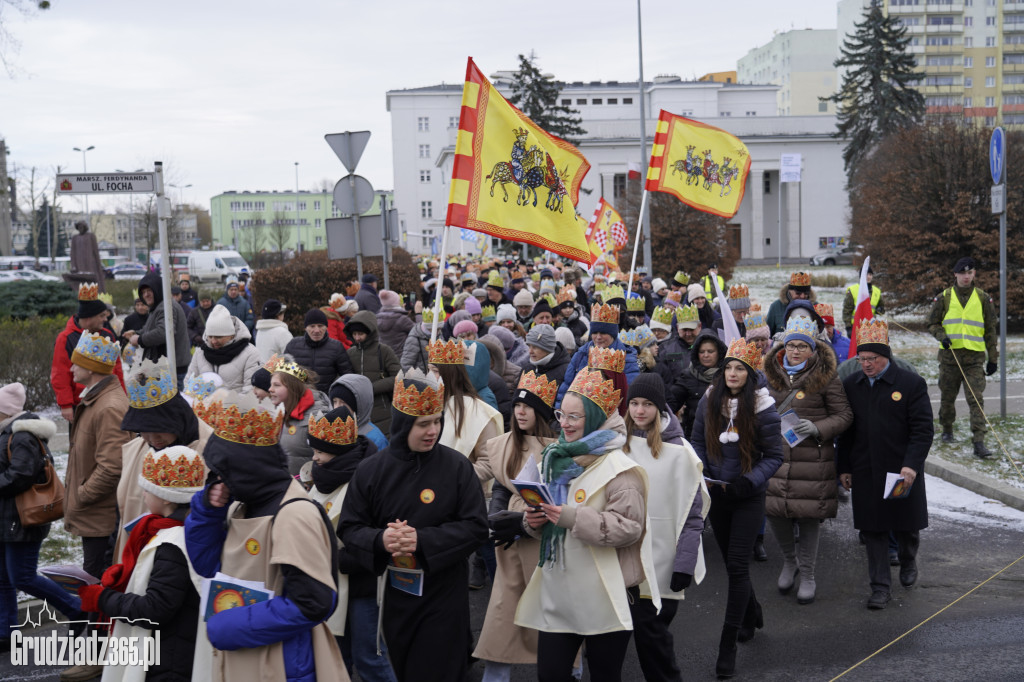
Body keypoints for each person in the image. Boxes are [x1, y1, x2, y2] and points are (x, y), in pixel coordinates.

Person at [338, 369, 489, 682]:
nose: (432, 431)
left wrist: (422, 540)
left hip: (444, 592)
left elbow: (476, 527)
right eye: (423, 424)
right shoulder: (372, 471)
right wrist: (382, 540)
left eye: (437, 421)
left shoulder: (457, 466)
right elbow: (350, 528)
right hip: (396, 595)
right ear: (403, 423)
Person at [185, 389, 346, 681]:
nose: (221, 481)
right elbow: (207, 566)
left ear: (247, 469)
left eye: (225, 473)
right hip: (243, 657)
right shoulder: (241, 504)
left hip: (282, 665)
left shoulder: (294, 514)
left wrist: (233, 626)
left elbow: (314, 602)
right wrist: (207, 512)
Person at [515, 368, 655, 682]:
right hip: (560, 591)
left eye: (574, 417)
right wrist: (532, 521)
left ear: (592, 418)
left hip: (605, 594)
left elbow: (630, 527)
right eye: (561, 414)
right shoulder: (555, 457)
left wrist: (571, 516)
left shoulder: (621, 469)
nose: (563, 423)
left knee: (605, 676)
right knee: (550, 675)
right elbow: (545, 516)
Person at [690, 338, 783, 678]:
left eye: (738, 368)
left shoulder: (763, 407)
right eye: (728, 367)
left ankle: (726, 646)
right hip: (718, 495)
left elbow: (775, 456)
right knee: (733, 563)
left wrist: (751, 480)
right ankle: (752, 612)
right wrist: (704, 472)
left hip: (747, 495)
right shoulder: (709, 400)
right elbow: (697, 441)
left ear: (749, 373)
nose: (731, 373)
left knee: (738, 566)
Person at [76, 445, 207, 681]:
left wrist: (101, 598)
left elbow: (155, 609)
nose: (143, 495)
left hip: (167, 659)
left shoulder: (172, 544)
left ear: (166, 498)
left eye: (147, 489)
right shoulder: (183, 532)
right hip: (174, 649)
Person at [838, 319, 933, 610]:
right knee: (873, 530)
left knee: (906, 526)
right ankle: (880, 588)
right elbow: (847, 431)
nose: (866, 364)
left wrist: (911, 466)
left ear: (886, 357)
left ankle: (907, 559)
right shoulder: (851, 385)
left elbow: (922, 430)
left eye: (872, 359)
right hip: (866, 469)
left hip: (902, 471)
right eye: (862, 359)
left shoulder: (910, 384)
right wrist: (843, 467)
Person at [621, 374, 709, 682]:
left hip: (662, 563)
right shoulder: (618, 444)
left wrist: (684, 564)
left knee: (652, 639)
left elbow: (692, 514)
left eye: (647, 404)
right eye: (634, 403)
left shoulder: (679, 451)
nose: (640, 411)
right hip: (621, 557)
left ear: (660, 408)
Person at [473, 371, 558, 681]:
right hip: (509, 544)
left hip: (546, 541)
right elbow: (499, 483)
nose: (521, 412)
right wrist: (497, 516)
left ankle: (570, 670)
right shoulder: (503, 445)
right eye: (518, 406)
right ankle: (495, 676)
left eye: (529, 406)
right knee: (503, 613)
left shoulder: (560, 448)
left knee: (553, 616)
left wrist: (524, 523)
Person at [763, 316, 853, 605]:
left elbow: (844, 415)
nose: (796, 351)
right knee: (776, 512)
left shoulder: (827, 377)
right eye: (792, 346)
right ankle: (790, 562)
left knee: (808, 517)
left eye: (803, 346)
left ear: (813, 349)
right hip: (776, 457)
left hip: (812, 458)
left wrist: (818, 428)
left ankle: (809, 574)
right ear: (783, 346)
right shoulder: (770, 375)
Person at [305, 407, 396, 682]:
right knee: (335, 656)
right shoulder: (322, 475)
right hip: (330, 582)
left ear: (338, 451)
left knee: (370, 658)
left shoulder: (369, 478)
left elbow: (378, 537)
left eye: (320, 451)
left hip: (362, 584)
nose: (314, 457)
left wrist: (336, 559)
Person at [0, 382, 84, 649]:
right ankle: (5, 633)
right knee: (3, 579)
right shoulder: (8, 432)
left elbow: (21, 476)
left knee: (22, 577)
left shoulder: (21, 435)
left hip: (22, 520)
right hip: (8, 520)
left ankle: (78, 608)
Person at [116, 357, 212, 562]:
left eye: (158, 431)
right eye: (144, 431)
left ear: (175, 420)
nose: (151, 439)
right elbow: (123, 513)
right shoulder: (138, 448)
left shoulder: (210, 449)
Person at [65, 332, 131, 579]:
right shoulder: (97, 400)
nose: (71, 368)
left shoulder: (109, 407)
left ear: (91, 369)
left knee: (96, 586)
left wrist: (82, 495)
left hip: (100, 518)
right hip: (95, 515)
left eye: (76, 363)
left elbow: (112, 466)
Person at [927, 257, 999, 457]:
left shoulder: (983, 298)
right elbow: (931, 323)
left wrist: (993, 358)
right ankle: (947, 429)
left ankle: (979, 441)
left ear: (974, 274)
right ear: (955, 275)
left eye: (970, 273)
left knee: (976, 399)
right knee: (947, 398)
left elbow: (990, 330)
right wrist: (942, 336)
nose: (966, 277)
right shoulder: (944, 297)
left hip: (974, 359)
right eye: (962, 273)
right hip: (950, 358)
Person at [51, 282, 126, 422]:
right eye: (102, 316)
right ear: (88, 317)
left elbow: (117, 368)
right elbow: (60, 373)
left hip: (108, 398)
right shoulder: (65, 338)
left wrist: (122, 395)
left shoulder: (108, 334)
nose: (106, 319)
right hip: (80, 403)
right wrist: (65, 405)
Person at [556, 301, 640, 408]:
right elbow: (567, 386)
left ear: (613, 334)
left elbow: (629, 394)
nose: (598, 337)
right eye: (595, 333)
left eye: (603, 333)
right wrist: (561, 410)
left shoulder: (627, 358)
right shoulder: (581, 355)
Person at [268, 355, 331, 476]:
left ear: (292, 387)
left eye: (276, 385)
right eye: (271, 385)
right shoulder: (283, 410)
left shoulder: (317, 414)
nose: (270, 389)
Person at [127, 271, 191, 387]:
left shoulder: (166, 307)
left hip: (172, 370)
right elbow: (153, 328)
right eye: (143, 292)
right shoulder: (158, 306)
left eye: (149, 291)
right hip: (165, 368)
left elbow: (163, 332)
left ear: (158, 290)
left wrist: (140, 339)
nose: (146, 295)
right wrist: (136, 333)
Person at [345, 310, 402, 436]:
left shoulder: (384, 351)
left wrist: (370, 387)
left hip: (383, 411)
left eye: (360, 334)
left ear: (370, 333)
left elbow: (398, 377)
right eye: (354, 334)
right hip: (358, 411)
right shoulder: (350, 353)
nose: (357, 338)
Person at [186, 304, 262, 393]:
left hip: (236, 406)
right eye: (210, 337)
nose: (213, 341)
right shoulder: (200, 353)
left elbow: (251, 391)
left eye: (218, 337)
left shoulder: (250, 354)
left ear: (231, 335)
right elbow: (189, 384)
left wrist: (225, 404)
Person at [668, 329, 728, 438]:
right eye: (701, 352)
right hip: (695, 436)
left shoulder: (728, 374)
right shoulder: (687, 376)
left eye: (710, 351)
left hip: (725, 435)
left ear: (719, 353)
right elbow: (671, 403)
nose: (705, 355)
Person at [285, 308, 355, 393]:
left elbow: (347, 376)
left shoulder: (336, 347)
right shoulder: (293, 345)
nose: (317, 330)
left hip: (326, 400)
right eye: (312, 326)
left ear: (326, 327)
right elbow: (283, 372)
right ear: (305, 328)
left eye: (320, 326)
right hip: (299, 399)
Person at [329, 374, 390, 451]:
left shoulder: (375, 439)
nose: (337, 407)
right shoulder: (332, 431)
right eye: (334, 402)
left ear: (358, 405)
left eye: (343, 402)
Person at [766, 272, 814, 336]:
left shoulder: (815, 307)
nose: (802, 296)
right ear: (789, 291)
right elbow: (768, 335)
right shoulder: (775, 307)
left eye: (806, 293)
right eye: (798, 293)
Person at [400, 307, 443, 372]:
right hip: (421, 378)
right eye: (436, 329)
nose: (438, 332)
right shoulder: (414, 339)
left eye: (439, 329)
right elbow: (406, 364)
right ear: (428, 327)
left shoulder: (439, 335)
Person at [70, 220, 106, 292]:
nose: (80, 228)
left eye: (82, 226)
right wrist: (73, 266)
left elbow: (95, 251)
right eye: (79, 227)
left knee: (91, 283)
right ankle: (83, 299)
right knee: (82, 284)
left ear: (85, 227)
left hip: (90, 264)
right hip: (79, 265)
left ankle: (93, 298)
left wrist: (98, 264)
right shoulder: (75, 238)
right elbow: (72, 253)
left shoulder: (91, 236)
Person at [377, 290, 414, 358]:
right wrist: (418, 314)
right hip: (400, 357)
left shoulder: (378, 318)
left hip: (383, 358)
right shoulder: (402, 319)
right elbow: (417, 331)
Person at [254, 299, 292, 363]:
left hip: (261, 371)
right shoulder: (282, 333)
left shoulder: (260, 331)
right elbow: (292, 357)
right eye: (282, 313)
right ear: (278, 315)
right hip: (277, 372)